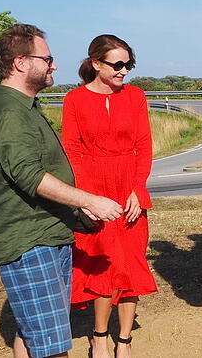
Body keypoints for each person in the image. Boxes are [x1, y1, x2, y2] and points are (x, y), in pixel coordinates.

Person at [0, 24, 123, 358]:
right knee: (53, 346)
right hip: (28, 241)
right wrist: (90, 201)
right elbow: (28, 174)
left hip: (45, 234)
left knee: (34, 335)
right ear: (22, 63)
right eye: (48, 58)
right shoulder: (10, 112)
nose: (54, 65)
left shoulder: (23, 106)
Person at [61, 35, 157, 358]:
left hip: (130, 190)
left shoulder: (136, 97)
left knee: (131, 265)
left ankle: (124, 340)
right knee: (102, 267)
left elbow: (143, 147)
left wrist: (137, 190)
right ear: (95, 64)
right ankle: (99, 336)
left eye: (128, 64)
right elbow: (72, 151)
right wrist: (88, 199)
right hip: (95, 191)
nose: (124, 71)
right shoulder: (74, 100)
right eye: (117, 65)